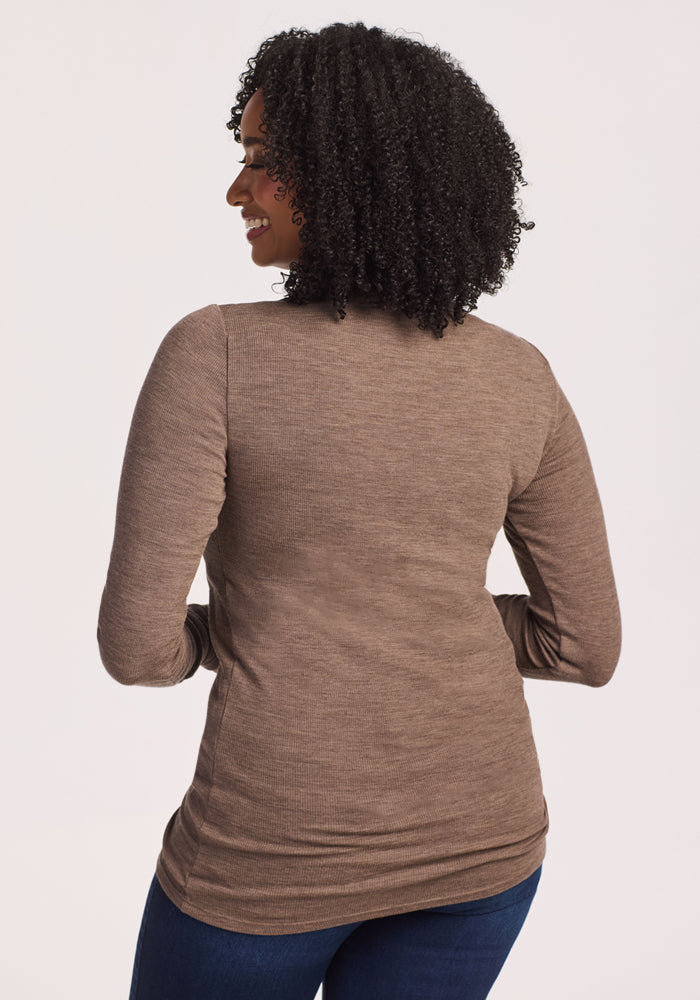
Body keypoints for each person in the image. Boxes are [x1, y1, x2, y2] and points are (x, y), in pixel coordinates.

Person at [97, 21, 622, 1000]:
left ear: (351, 170)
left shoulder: (215, 353)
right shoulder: (520, 376)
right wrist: (413, 615)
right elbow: (584, 645)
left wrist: (257, 627)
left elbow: (137, 647)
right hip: (484, 850)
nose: (237, 189)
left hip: (269, 857)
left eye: (263, 160)